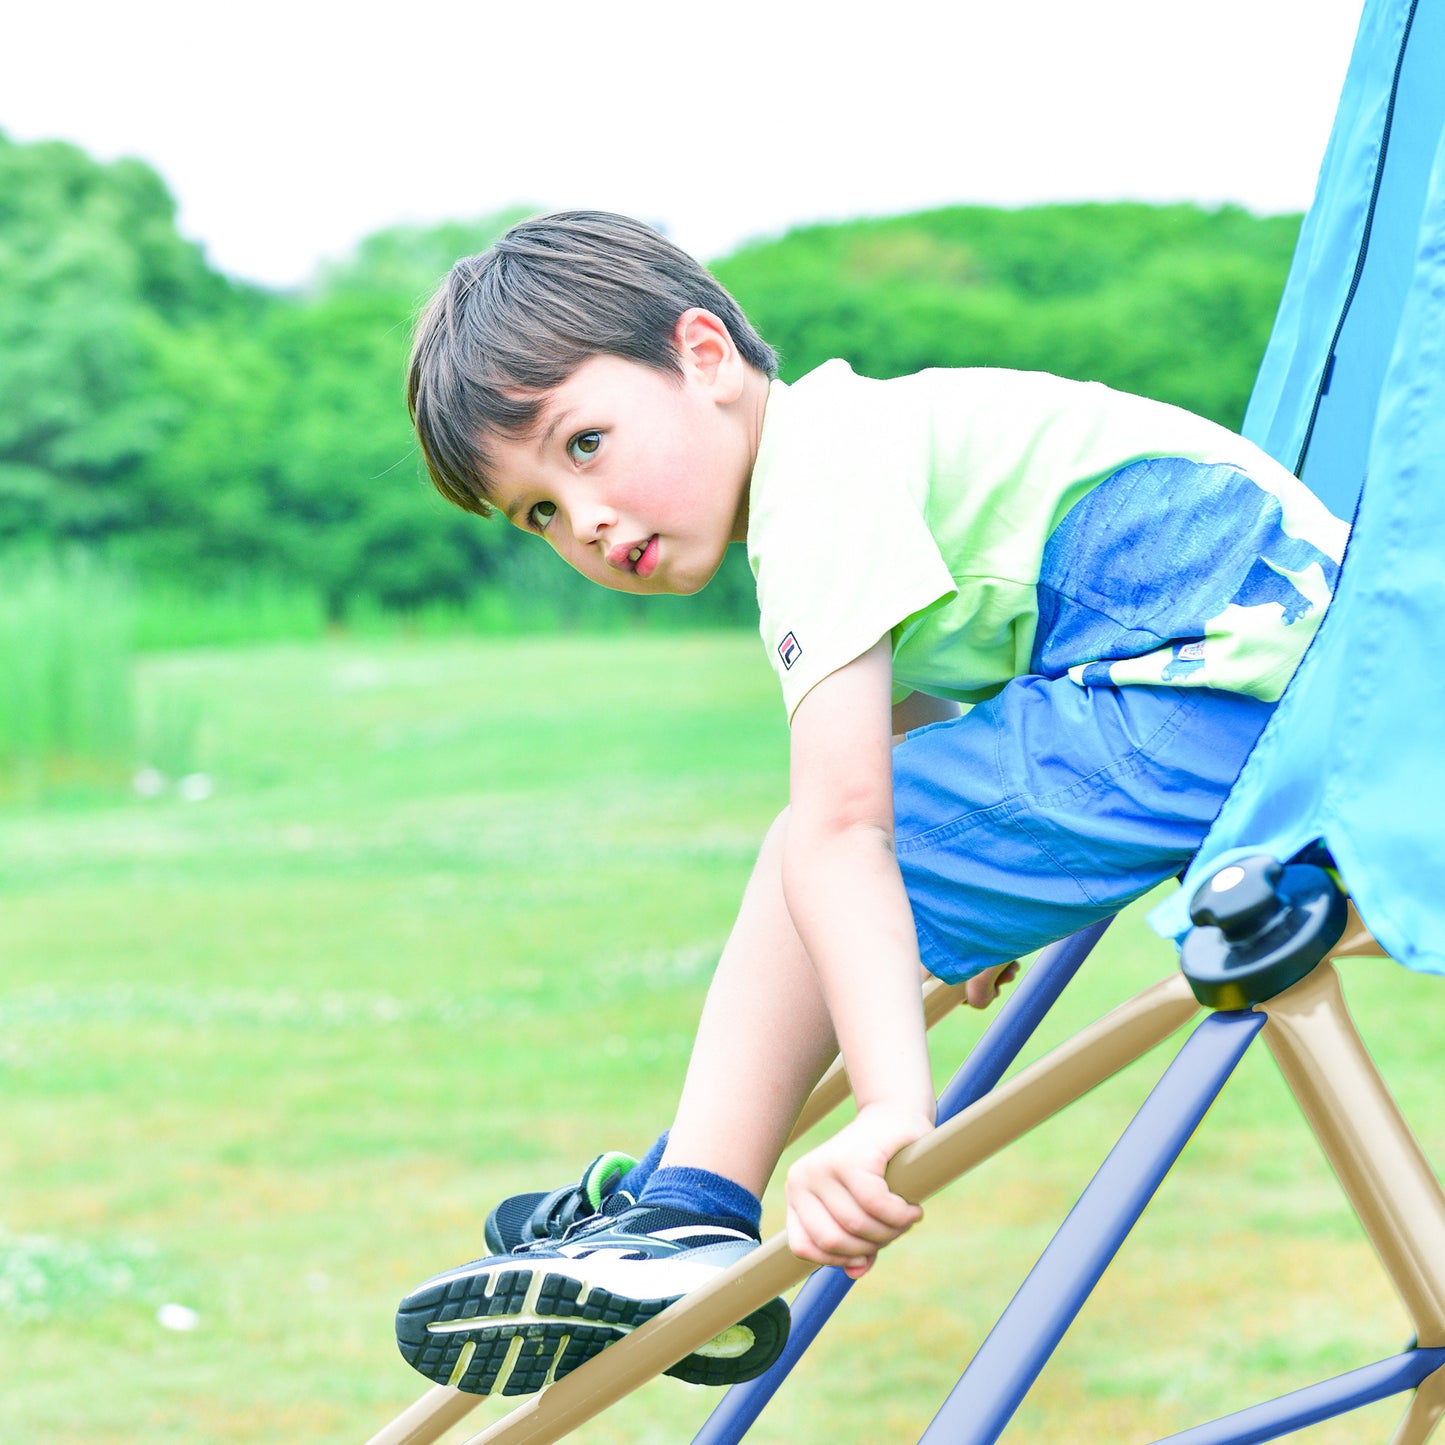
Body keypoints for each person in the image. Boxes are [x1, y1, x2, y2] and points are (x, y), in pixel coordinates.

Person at [391, 210, 1350, 1398]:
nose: (578, 521)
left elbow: (849, 830)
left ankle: (682, 1209)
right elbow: (924, 729)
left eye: (582, 445)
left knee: (814, 847)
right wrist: (995, 889)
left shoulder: (819, 481)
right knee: (831, 861)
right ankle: (662, 1201)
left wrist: (894, 1100)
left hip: (1232, 686)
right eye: (536, 511)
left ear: (703, 356)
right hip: (1248, 675)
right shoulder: (861, 444)